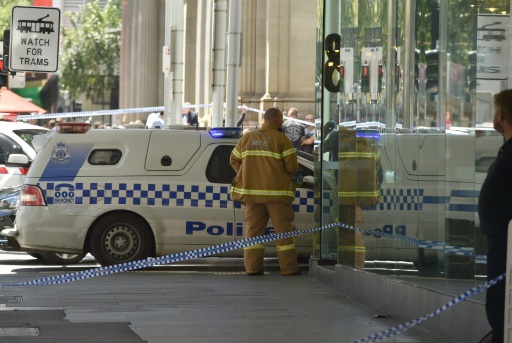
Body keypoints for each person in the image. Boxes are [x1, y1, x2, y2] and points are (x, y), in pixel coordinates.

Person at [230, 107, 301, 276]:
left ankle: (253, 268)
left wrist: (248, 174)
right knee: (283, 234)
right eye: (282, 119)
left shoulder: (247, 138)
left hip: (252, 196)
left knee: (253, 233)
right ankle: (288, 269)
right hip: (277, 195)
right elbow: (292, 167)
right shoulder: (282, 139)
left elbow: (234, 160)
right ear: (276, 119)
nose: (283, 122)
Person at [478, 88, 512, 343]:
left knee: (502, 306)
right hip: (500, 244)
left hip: (505, 247)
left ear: (501, 115)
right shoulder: (507, 151)